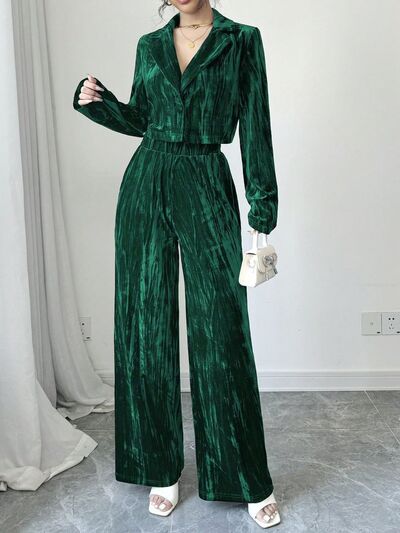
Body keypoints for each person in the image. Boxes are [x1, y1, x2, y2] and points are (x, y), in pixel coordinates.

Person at [73, 0, 280, 528]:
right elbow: (143, 118)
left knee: (222, 330)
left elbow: (256, 124)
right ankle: (158, 468)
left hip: (206, 178)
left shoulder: (241, 40)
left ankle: (245, 477)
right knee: (144, 328)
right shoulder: (149, 46)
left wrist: (262, 206)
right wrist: (100, 105)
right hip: (146, 181)